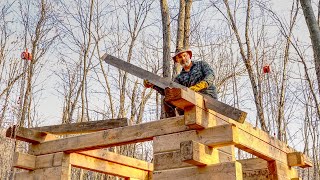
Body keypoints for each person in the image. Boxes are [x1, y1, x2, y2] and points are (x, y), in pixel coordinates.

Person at [144, 49, 217, 117]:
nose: (183, 59)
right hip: (191, 100)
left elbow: (210, 75)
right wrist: (153, 85)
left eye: (184, 55)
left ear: (189, 55)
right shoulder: (179, 78)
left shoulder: (201, 64)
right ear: (177, 60)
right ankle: (173, 123)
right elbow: (170, 92)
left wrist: (198, 86)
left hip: (207, 97)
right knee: (167, 100)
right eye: (180, 57)